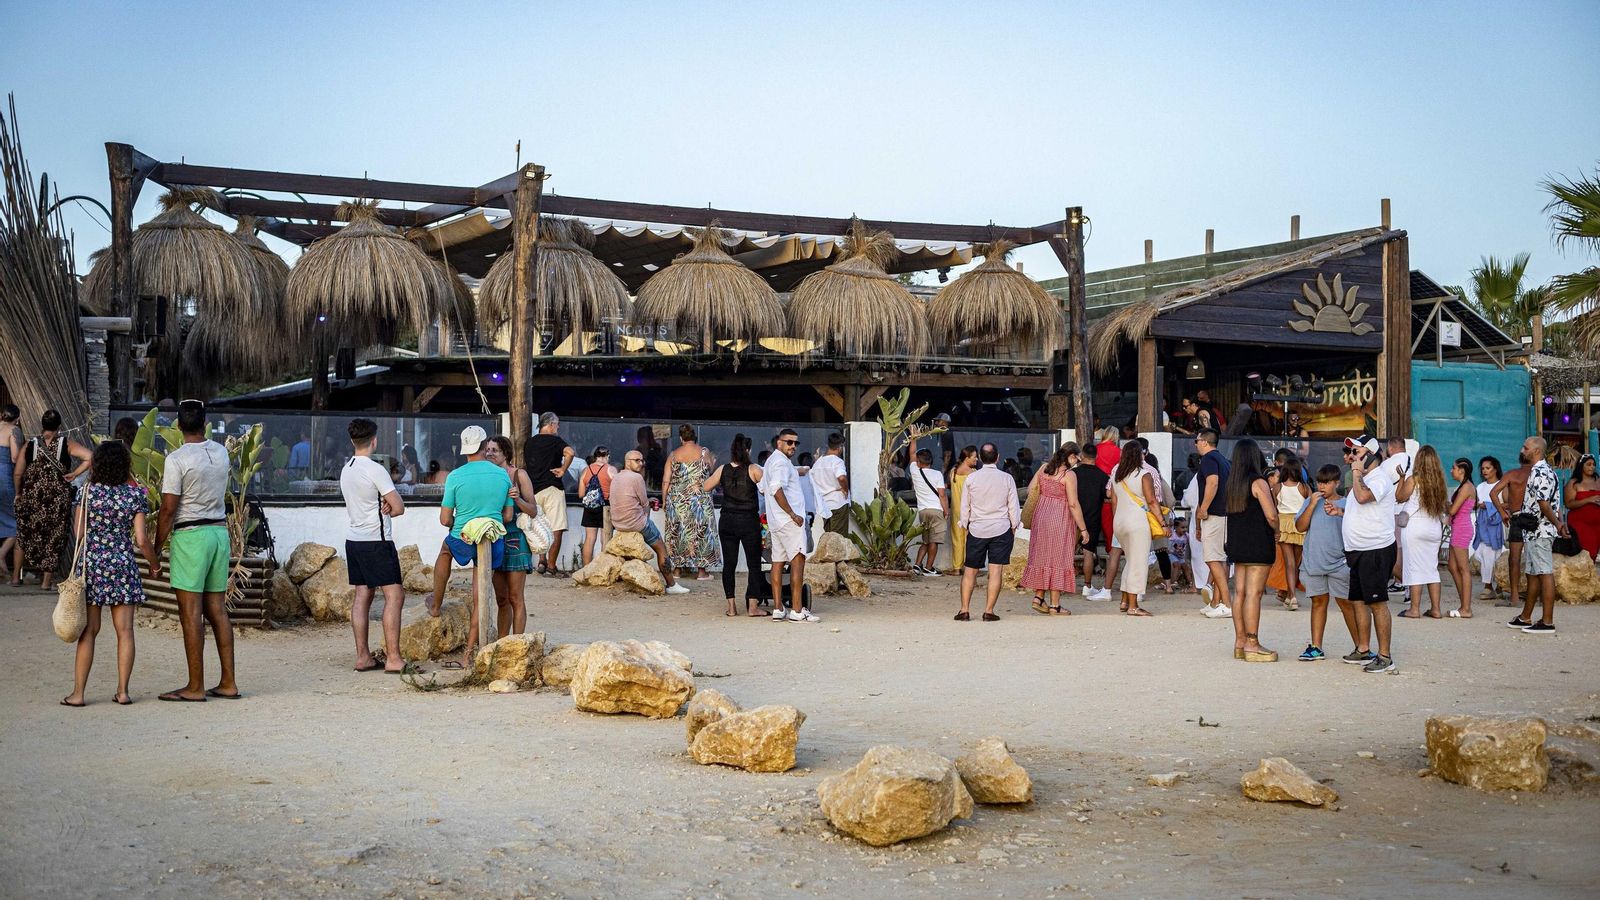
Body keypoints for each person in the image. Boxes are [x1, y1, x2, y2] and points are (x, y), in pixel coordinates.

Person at [59, 441, 159, 707]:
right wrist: (155, 564)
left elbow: (79, 533)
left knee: (89, 631)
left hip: (91, 565)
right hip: (123, 566)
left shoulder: (87, 492)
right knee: (125, 631)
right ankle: (123, 692)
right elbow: (140, 539)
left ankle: (78, 694)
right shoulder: (134, 495)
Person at [154, 399, 241, 701]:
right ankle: (228, 682)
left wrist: (157, 546)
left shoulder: (176, 459)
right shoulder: (220, 452)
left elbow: (168, 509)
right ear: (205, 424)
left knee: (191, 614)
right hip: (218, 533)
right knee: (217, 610)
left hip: (191, 535)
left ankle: (195, 687)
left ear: (178, 426)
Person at [440, 426, 514, 668]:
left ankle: (435, 601)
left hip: (463, 538)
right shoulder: (503, 475)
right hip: (493, 540)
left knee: (445, 551)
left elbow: (445, 520)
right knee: (480, 597)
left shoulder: (455, 476)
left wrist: (456, 523)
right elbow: (508, 516)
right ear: (484, 447)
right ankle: (469, 654)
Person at [339, 418, 407, 674]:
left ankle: (363, 656)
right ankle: (393, 658)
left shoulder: (347, 468)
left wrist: (385, 505)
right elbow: (399, 507)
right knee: (395, 595)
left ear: (353, 440)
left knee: (362, 595)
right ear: (374, 440)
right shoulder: (376, 469)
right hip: (376, 541)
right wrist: (390, 507)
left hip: (354, 539)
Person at [13, 409, 92, 589]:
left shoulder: (29, 445)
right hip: (57, 500)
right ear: (59, 426)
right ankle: (46, 583)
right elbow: (90, 457)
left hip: (31, 498)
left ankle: (16, 578)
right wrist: (74, 473)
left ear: (42, 425)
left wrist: (19, 493)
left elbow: (18, 473)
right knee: (53, 538)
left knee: (23, 535)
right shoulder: (67, 444)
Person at [1293, 464, 1364, 662]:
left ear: (1337, 483)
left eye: (1327, 482)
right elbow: (1300, 527)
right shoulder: (1310, 501)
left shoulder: (1347, 503)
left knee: (1346, 603)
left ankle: (1361, 647)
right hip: (1314, 561)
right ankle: (1316, 647)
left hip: (1339, 563)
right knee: (1318, 601)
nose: (1322, 486)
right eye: (1319, 482)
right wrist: (1311, 505)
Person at [1342, 435, 1398, 673]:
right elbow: (1358, 505)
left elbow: (1364, 497)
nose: (1352, 457)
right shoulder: (1365, 478)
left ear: (1371, 455)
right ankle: (1364, 649)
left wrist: (1355, 473)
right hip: (1358, 551)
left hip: (1375, 549)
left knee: (1377, 603)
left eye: (1357, 452)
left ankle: (1385, 656)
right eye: (1351, 452)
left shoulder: (1380, 478)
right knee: (1357, 600)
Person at [1223, 439, 1277, 660]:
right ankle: (1252, 643)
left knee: (1240, 593)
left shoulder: (1232, 483)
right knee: (1254, 594)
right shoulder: (1259, 482)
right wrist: (1279, 529)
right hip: (1257, 543)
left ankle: (1240, 641)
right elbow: (1271, 515)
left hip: (1238, 544)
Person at [612, 450, 690, 596]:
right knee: (661, 549)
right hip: (635, 523)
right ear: (627, 461)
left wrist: (647, 502)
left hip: (618, 524)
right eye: (637, 460)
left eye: (642, 460)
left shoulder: (617, 476)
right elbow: (643, 503)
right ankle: (671, 584)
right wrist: (649, 505)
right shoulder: (636, 478)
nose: (641, 464)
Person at [956, 443, 1019, 621]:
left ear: (981, 459)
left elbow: (965, 507)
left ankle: (964, 609)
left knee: (970, 571)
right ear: (998, 457)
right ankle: (989, 611)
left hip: (977, 529)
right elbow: (1013, 506)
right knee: (995, 571)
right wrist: (1014, 525)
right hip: (1001, 528)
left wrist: (966, 524)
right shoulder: (1007, 479)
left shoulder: (972, 479)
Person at [1021, 443, 1087, 615]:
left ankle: (1038, 597)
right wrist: (1083, 529)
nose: (1077, 461)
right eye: (1076, 457)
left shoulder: (1044, 468)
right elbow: (1073, 503)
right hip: (1060, 518)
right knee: (1058, 558)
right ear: (1071, 456)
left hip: (1041, 516)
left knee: (1042, 556)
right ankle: (1055, 605)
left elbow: (1030, 490)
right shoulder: (1069, 475)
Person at [705, 434, 765, 616]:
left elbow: (706, 486)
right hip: (748, 521)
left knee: (729, 564)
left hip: (727, 520)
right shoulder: (754, 469)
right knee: (754, 564)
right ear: (748, 450)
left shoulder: (722, 469)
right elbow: (770, 489)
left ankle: (731, 607)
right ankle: (753, 607)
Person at [1511, 435, 1564, 634]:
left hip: (1541, 530)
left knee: (1544, 572)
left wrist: (1558, 524)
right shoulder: (1539, 471)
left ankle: (1547, 621)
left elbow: (1544, 503)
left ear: (1536, 451)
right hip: (1534, 531)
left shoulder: (1541, 472)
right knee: (1533, 573)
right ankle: (1526, 616)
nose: (1522, 450)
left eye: (1525, 448)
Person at [762, 428, 816, 621]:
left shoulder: (771, 462)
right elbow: (776, 489)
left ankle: (778, 608)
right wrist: (792, 513)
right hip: (789, 521)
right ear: (779, 442)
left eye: (795, 443)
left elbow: (763, 489)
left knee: (777, 563)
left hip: (776, 522)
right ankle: (797, 610)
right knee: (797, 563)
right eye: (789, 442)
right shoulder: (781, 463)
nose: (793, 446)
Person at [487, 435, 536, 637]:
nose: (489, 453)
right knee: (501, 599)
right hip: (495, 538)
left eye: (494, 450)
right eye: (487, 450)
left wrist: (518, 500)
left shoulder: (519, 475)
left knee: (516, 597)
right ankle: (501, 642)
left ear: (505, 453)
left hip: (516, 540)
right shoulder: (487, 475)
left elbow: (533, 510)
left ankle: (518, 643)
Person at [661, 424, 720, 580]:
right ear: (694, 437)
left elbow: (666, 481)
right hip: (700, 500)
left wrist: (664, 501)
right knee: (702, 532)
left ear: (681, 438)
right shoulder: (704, 452)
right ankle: (702, 572)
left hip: (677, 501)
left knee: (677, 532)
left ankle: (677, 571)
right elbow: (711, 471)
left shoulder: (673, 455)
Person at [1397, 446, 1449, 619]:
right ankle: (1435, 609)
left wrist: (1402, 478)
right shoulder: (1439, 482)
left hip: (1415, 528)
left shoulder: (1414, 480)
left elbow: (1400, 497)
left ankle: (1414, 609)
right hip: (1434, 528)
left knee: (1414, 568)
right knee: (1432, 569)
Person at [1108, 441, 1159, 617]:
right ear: (1140, 455)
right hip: (1137, 522)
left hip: (1120, 522)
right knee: (1138, 563)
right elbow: (1152, 501)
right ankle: (1133, 605)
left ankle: (1124, 600)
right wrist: (1163, 523)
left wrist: (1117, 521)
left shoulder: (1117, 476)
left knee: (1130, 561)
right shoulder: (1144, 475)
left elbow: (1113, 502)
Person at [524, 412, 574, 576]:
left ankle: (541, 560)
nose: (558, 427)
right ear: (551, 424)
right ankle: (551, 566)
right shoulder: (556, 441)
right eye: (557, 424)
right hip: (552, 488)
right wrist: (563, 469)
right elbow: (570, 453)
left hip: (533, 490)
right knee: (556, 528)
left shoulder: (529, 443)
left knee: (540, 526)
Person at [1194, 429, 1233, 618]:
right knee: (1220, 558)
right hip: (1225, 514)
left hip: (1214, 514)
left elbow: (1212, 483)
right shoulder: (1223, 460)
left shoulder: (1208, 459)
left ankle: (1226, 603)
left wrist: (1204, 508)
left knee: (1212, 558)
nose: (1195, 444)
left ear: (1204, 442)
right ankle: (1216, 602)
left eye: (1196, 440)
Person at [1492, 451, 1533, 611]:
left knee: (1514, 559)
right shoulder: (1538, 474)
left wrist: (1503, 513)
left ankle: (1515, 597)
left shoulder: (1513, 474)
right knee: (1535, 558)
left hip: (1516, 517)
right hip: (1534, 519)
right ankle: (1535, 595)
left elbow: (1493, 493)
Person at [1073, 445, 1111, 601]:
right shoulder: (1103, 477)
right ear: (1096, 456)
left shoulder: (1073, 474)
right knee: (1089, 552)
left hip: (1073, 517)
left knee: (1067, 551)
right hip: (1092, 518)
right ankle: (1087, 586)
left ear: (1082, 455)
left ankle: (1060, 585)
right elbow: (1108, 496)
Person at [1274, 458, 1311, 610]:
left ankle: (1291, 595)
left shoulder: (1277, 487)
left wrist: (1275, 530)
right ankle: (1290, 595)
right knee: (1296, 563)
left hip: (1283, 524)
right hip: (1299, 523)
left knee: (1288, 563)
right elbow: (1310, 507)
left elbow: (1274, 510)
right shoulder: (1304, 487)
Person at [1444, 458, 1478, 618]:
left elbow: (1452, 510)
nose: (1451, 471)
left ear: (1462, 471)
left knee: (1463, 569)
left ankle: (1466, 608)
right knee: (1452, 566)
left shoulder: (1467, 487)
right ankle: (1463, 603)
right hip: (1457, 527)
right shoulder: (1464, 486)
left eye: (1453, 468)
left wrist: (1443, 503)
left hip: (1461, 528)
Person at [910, 447, 948, 577]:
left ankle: (917, 565)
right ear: (931, 461)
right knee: (934, 541)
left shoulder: (915, 471)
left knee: (926, 540)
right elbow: (942, 495)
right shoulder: (937, 474)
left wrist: (913, 438)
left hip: (923, 511)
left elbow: (911, 454)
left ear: (918, 462)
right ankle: (928, 568)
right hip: (936, 510)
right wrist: (946, 510)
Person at [1473, 456, 1505, 605]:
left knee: (1496, 555)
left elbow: (1508, 504)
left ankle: (1496, 585)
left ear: (1495, 469)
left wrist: (1490, 506)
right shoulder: (1480, 487)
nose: (1484, 471)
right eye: (1483, 468)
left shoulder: (1502, 485)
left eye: (1488, 468)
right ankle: (1488, 585)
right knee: (1482, 554)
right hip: (1483, 525)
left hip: (1497, 524)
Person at [577, 447, 615, 566]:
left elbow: (581, 494)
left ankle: (586, 568)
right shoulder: (611, 469)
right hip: (606, 506)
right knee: (605, 538)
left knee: (589, 538)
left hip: (589, 506)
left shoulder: (586, 470)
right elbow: (617, 490)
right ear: (607, 456)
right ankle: (603, 568)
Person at [947, 445, 980, 575]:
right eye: (974, 457)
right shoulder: (973, 473)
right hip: (969, 510)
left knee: (957, 538)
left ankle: (956, 568)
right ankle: (969, 567)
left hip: (956, 510)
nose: (976, 459)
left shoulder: (953, 471)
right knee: (969, 540)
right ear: (967, 458)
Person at [809, 433, 849, 537]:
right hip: (838, 503)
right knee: (839, 538)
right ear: (840, 447)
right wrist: (845, 489)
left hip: (824, 504)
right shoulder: (837, 461)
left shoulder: (818, 463)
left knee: (829, 536)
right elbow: (841, 477)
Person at [1563, 453, 1600, 559]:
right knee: (1588, 551)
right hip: (1580, 523)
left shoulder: (1598, 481)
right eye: (1588, 464)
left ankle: (1590, 574)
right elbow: (1569, 503)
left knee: (1595, 551)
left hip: (1597, 523)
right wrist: (1588, 500)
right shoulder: (1573, 483)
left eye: (1593, 464)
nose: (1592, 467)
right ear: (1581, 466)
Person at [0, 404, 19, 581]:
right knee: (16, 522)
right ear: (17, 419)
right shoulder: (13, 430)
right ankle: (1, 554)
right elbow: (14, 457)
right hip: (4, 477)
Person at [636, 425, 665, 492]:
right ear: (639, 439)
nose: (650, 441)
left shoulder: (656, 452)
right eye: (647, 438)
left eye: (651, 437)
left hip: (656, 488)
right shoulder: (636, 454)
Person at [1169, 516, 1193, 590]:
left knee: (1186, 567)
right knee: (1177, 565)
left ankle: (1190, 582)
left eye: (1186, 527)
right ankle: (1173, 582)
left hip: (1180, 556)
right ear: (1176, 527)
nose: (1185, 529)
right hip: (1172, 554)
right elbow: (1169, 547)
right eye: (1182, 527)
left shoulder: (1186, 536)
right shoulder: (1173, 535)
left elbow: (1191, 542)